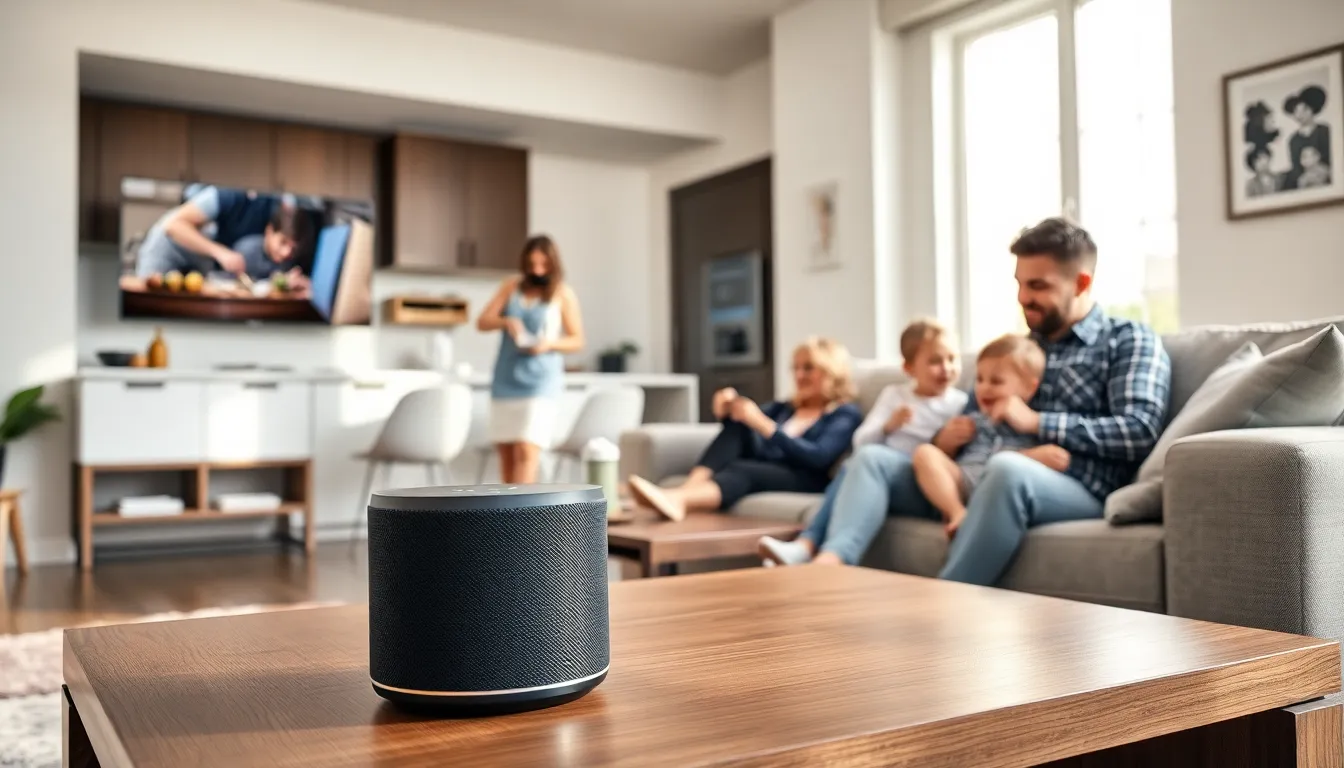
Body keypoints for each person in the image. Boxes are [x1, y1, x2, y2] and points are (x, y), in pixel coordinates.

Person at [799, 217, 1170, 583]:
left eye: (1037, 286)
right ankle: (830, 568)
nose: (1024, 298)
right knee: (873, 460)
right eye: (1020, 284)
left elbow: (1139, 430)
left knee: (1009, 470)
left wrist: (1037, 422)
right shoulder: (1017, 348)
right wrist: (941, 441)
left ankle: (947, 601)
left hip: (1073, 483)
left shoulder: (1128, 341)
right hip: (980, 473)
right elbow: (972, 419)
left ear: (1082, 282)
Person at [757, 319, 966, 566]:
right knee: (856, 463)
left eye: (953, 359)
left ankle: (827, 555)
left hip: (924, 482)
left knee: (866, 460)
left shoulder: (960, 404)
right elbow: (861, 441)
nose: (946, 368)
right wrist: (888, 426)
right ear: (909, 368)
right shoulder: (895, 396)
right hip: (883, 474)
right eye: (935, 361)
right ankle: (806, 545)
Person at [626, 337, 862, 522]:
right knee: (739, 425)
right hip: (770, 465)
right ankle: (685, 491)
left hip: (806, 477)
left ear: (832, 370)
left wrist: (764, 424)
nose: (799, 375)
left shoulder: (844, 414)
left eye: (808, 368)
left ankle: (680, 498)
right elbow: (746, 424)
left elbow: (818, 457)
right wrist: (728, 410)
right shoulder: (786, 408)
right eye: (796, 368)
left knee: (744, 468)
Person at [911, 334, 1057, 536]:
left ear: (1029, 387)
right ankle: (957, 512)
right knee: (924, 453)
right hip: (963, 480)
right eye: (979, 379)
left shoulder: (1032, 424)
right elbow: (945, 456)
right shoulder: (972, 418)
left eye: (996, 381)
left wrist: (1035, 455)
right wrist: (948, 441)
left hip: (1001, 488)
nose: (984, 388)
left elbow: (1057, 460)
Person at [477, 235, 585, 484]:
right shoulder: (510, 287)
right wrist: (506, 321)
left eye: (543, 264)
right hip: (506, 379)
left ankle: (521, 518)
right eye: (532, 263)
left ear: (553, 264)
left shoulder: (562, 293)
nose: (537, 270)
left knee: (526, 448)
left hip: (540, 383)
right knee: (506, 453)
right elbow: (482, 322)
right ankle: (506, 517)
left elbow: (577, 339)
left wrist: (549, 344)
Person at [135, 184, 313, 286]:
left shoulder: (278, 206)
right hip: (169, 247)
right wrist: (221, 253)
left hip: (203, 261)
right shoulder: (225, 194)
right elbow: (174, 226)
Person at [1284, 85, 1331, 190]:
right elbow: (1296, 168)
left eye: (1305, 109)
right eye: (1296, 111)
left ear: (1313, 109)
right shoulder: (1293, 140)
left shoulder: (1325, 131)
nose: (1300, 115)